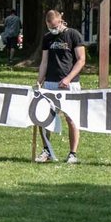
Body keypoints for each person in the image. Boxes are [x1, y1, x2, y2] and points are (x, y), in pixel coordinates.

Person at [36, 9, 86, 165]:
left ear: (60, 20)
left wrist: (68, 78)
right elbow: (44, 61)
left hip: (70, 84)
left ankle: (73, 153)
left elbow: (81, 60)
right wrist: (39, 81)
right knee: (44, 118)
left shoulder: (73, 35)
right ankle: (47, 150)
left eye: (54, 25)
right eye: (49, 26)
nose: (52, 29)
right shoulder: (47, 38)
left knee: (71, 119)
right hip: (50, 83)